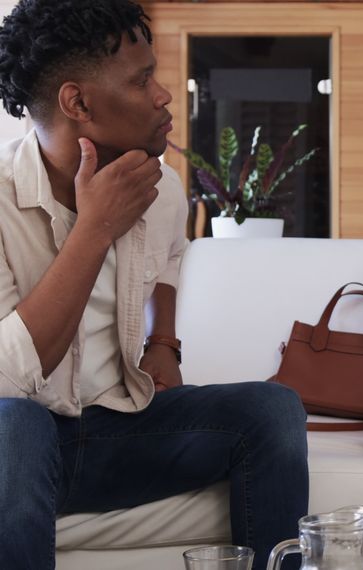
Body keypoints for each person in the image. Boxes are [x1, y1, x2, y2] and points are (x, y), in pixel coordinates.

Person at [0, 1, 309, 568]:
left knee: (271, 410)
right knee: (13, 425)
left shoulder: (159, 187)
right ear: (78, 102)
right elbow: (8, 379)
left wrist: (163, 343)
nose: (164, 94)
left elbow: (170, 259)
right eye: (143, 80)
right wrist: (95, 229)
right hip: (18, 445)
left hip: (117, 428)